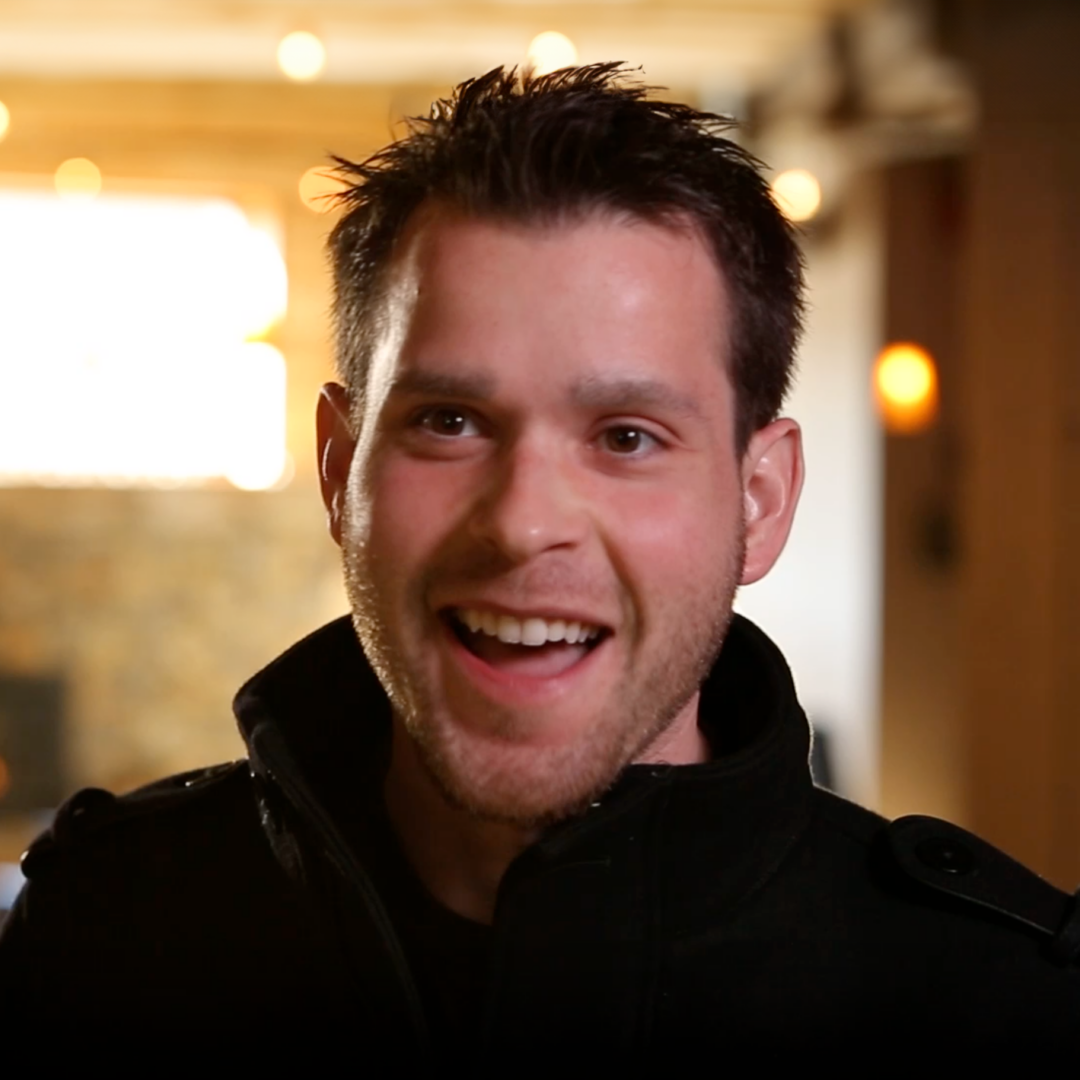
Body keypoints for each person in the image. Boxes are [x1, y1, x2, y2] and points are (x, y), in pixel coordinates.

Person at [0, 64, 1077, 1056]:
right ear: (339, 471)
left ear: (760, 500)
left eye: (625, 437)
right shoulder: (101, 942)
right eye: (452, 422)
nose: (520, 525)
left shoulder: (995, 1009)